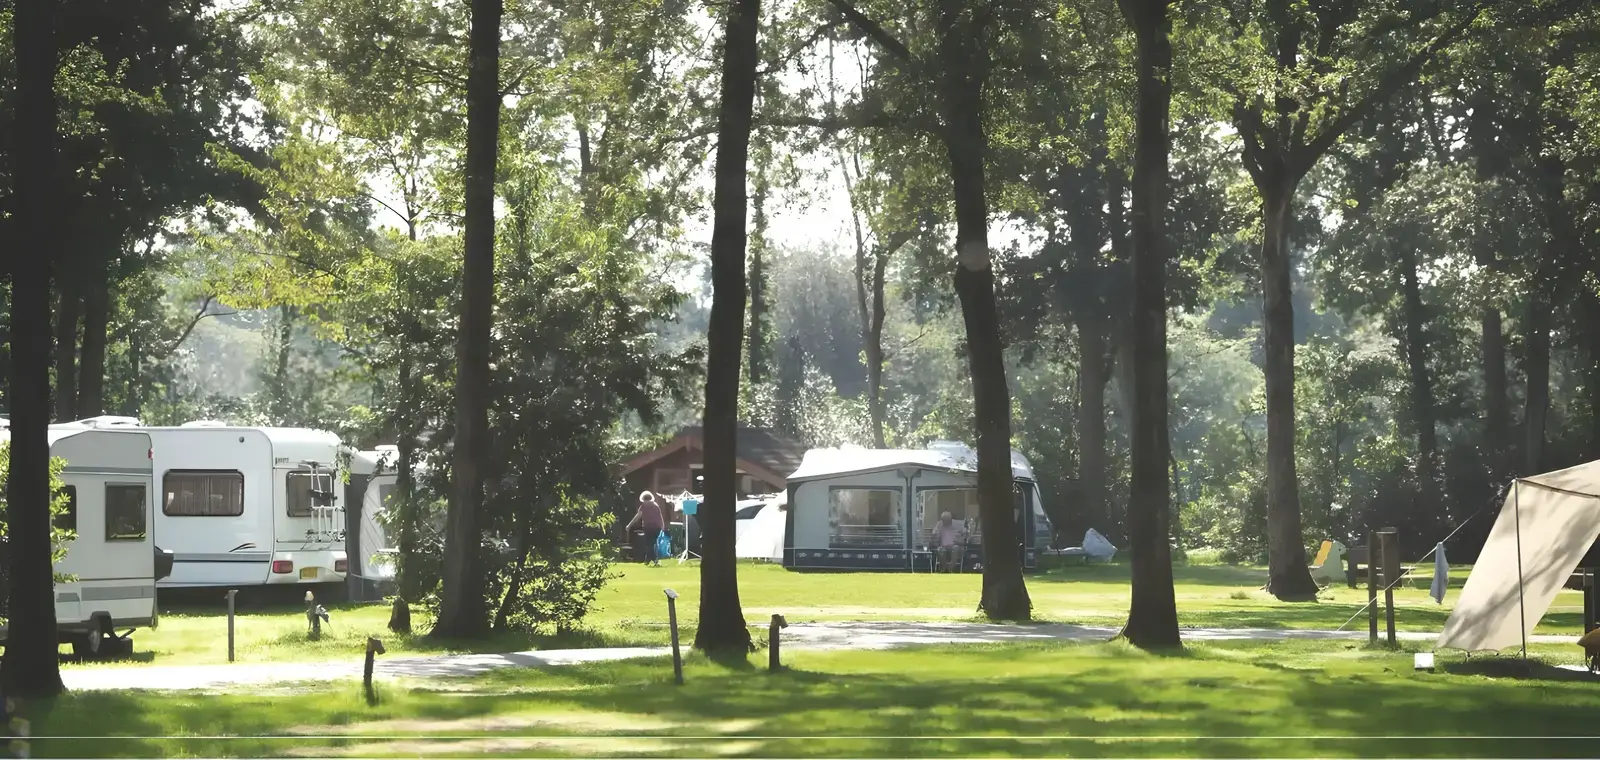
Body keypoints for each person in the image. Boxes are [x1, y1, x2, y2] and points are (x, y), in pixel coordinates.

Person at [626, 490, 666, 566]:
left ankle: (649, 559)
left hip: (648, 527)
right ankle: (652, 559)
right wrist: (663, 526)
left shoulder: (643, 506)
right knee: (653, 543)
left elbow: (637, 517)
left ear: (643, 498)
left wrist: (629, 525)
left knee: (649, 544)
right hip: (657, 527)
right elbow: (660, 517)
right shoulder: (656, 505)